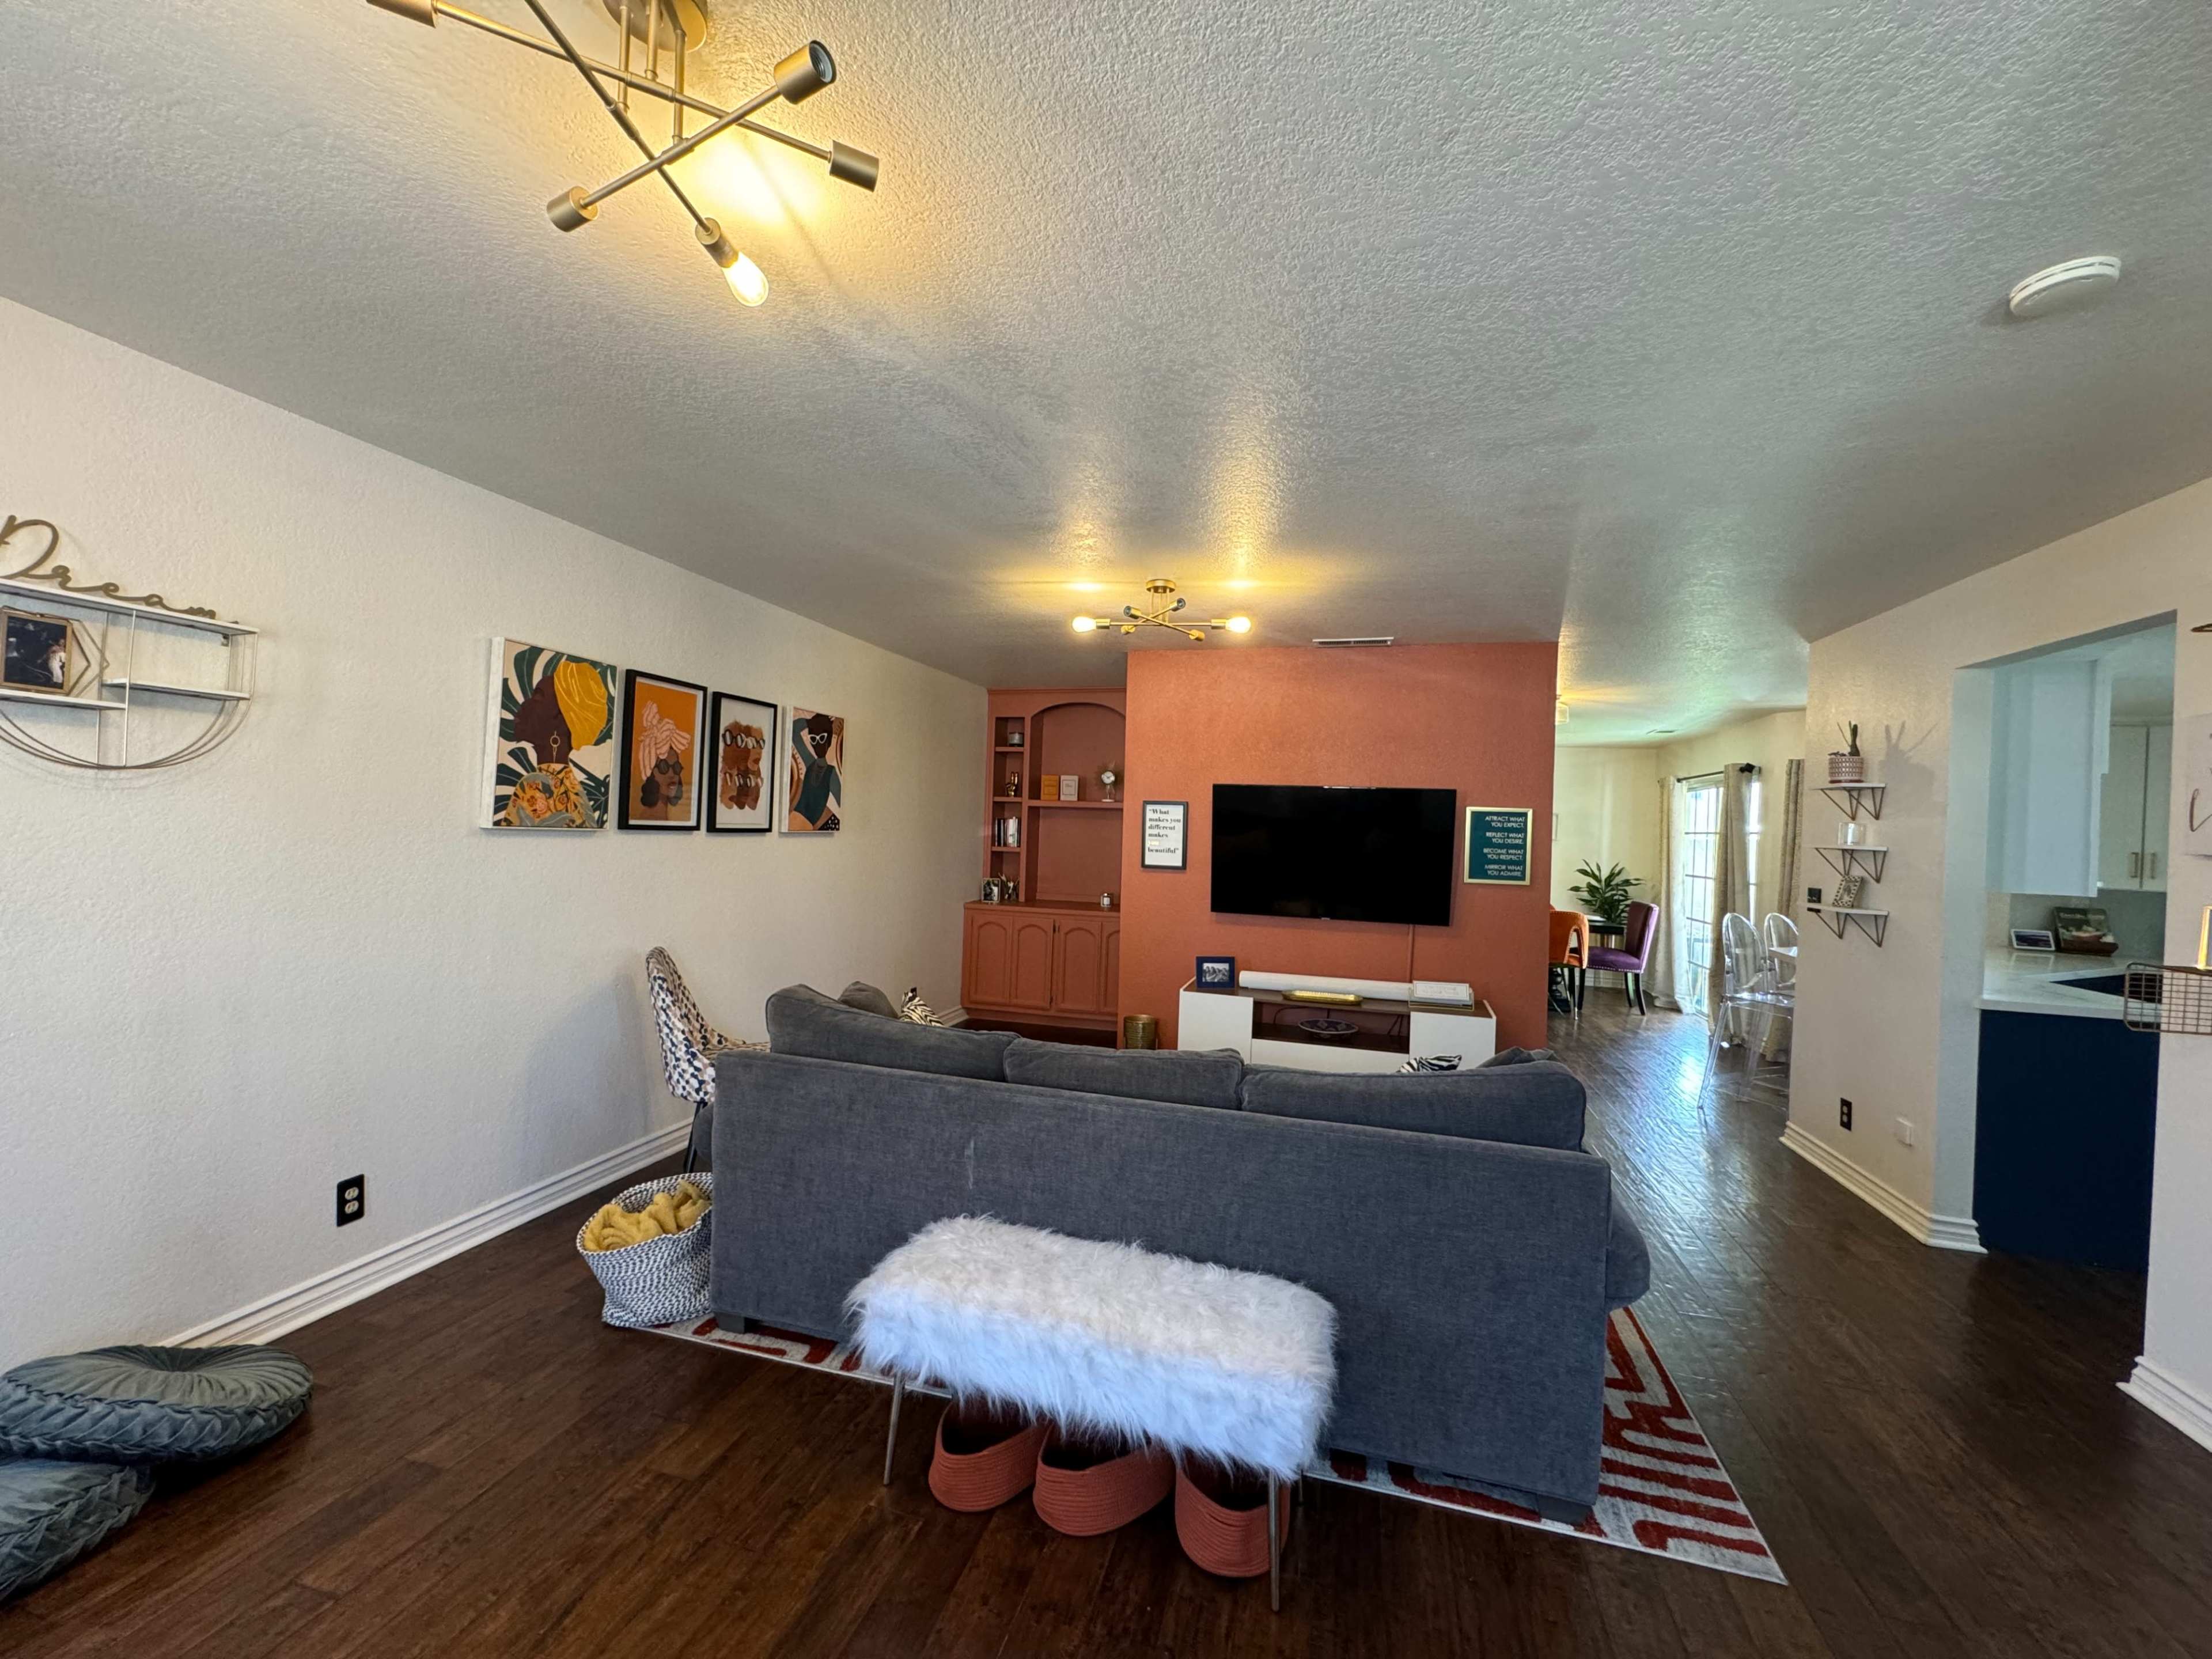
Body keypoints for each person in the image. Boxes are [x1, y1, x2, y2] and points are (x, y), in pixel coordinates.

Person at [788, 711, 842, 831]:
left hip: (822, 825)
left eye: (822, 738)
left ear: (828, 741)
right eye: (814, 739)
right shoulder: (810, 762)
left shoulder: (831, 773)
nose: (818, 744)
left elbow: (841, 803)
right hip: (802, 823)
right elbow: (794, 731)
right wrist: (810, 722)